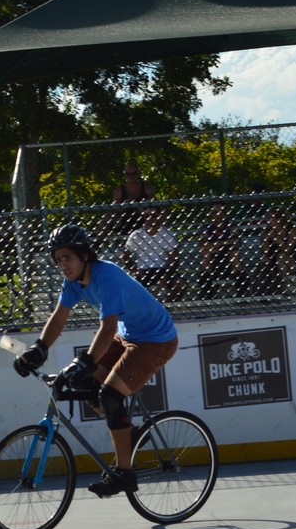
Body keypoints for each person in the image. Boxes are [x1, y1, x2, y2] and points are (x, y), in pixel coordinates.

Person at [12, 224, 178, 498]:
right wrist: (39, 348)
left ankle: (125, 474)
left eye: (67, 257)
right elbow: (59, 316)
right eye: (57, 259)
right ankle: (131, 433)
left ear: (84, 255)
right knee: (84, 379)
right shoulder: (74, 281)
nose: (62, 265)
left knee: (110, 395)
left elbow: (107, 328)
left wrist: (87, 360)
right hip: (129, 336)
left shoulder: (107, 277)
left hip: (155, 340)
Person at [121, 206, 183, 300]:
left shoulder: (167, 234)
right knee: (128, 287)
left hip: (163, 269)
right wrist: (135, 271)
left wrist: (166, 276)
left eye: (154, 215)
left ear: (159, 216)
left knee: (181, 283)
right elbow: (125, 257)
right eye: (147, 216)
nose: (151, 218)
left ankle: (166, 305)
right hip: (143, 270)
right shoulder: (137, 234)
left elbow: (175, 260)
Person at [198, 201, 242, 297]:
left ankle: (241, 289)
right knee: (205, 254)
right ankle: (208, 291)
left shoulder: (231, 226)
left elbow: (235, 241)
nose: (218, 215)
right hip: (213, 260)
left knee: (234, 254)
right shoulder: (206, 228)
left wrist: (214, 246)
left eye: (221, 212)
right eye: (215, 212)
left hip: (228, 258)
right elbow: (204, 245)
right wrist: (224, 243)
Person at [256, 207, 296, 295]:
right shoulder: (266, 232)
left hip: (290, 262)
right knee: (264, 260)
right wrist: (266, 241)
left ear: (279, 219)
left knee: (281, 256)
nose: (268, 220)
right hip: (273, 263)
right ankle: (261, 290)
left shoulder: (290, 229)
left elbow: (288, 250)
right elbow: (265, 252)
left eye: (270, 217)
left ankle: (282, 286)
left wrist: (277, 240)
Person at [109, 162, 158, 236]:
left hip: (144, 218)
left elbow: (156, 207)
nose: (131, 176)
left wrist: (141, 208)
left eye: (134, 174)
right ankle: (97, 239)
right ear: (125, 175)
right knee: (108, 215)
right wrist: (124, 206)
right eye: (128, 174)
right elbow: (113, 210)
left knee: (160, 215)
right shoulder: (119, 191)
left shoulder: (147, 189)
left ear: (138, 174)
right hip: (124, 220)